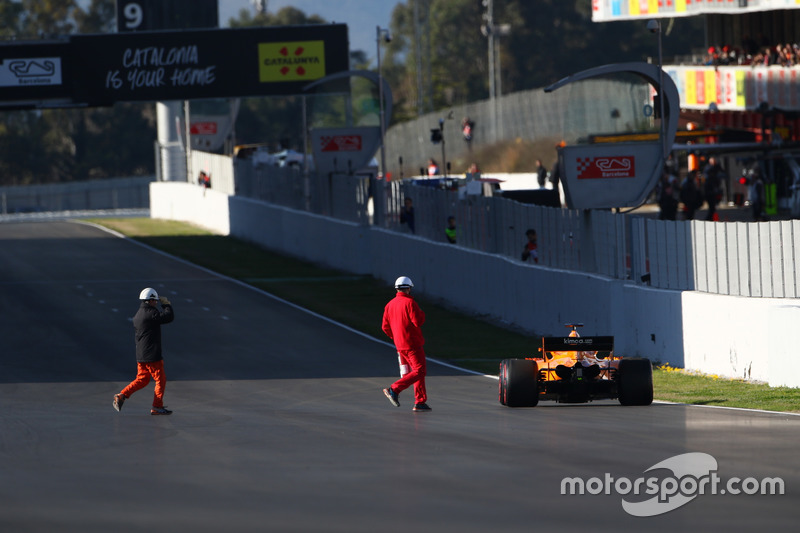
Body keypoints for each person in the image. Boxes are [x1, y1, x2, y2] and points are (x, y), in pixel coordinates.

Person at [113, 288, 175, 415]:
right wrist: (166, 304)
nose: (156, 303)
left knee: (142, 379)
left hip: (141, 354)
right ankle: (157, 406)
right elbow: (169, 317)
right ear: (150, 300)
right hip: (152, 355)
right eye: (155, 301)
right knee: (160, 380)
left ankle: (122, 395)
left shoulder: (138, 314)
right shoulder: (151, 314)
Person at [382, 276, 430, 412]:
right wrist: (422, 313)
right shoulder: (410, 303)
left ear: (397, 289)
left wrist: (396, 337)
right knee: (420, 371)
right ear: (409, 288)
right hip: (412, 343)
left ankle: (420, 401)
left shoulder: (389, 304)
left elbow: (385, 327)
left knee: (416, 371)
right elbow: (418, 322)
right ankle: (394, 389)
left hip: (400, 344)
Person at [703, 157, 725, 221]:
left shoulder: (717, 168)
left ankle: (711, 217)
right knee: (711, 206)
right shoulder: (708, 169)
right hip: (710, 192)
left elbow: (722, 173)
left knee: (713, 206)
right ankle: (709, 218)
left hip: (714, 190)